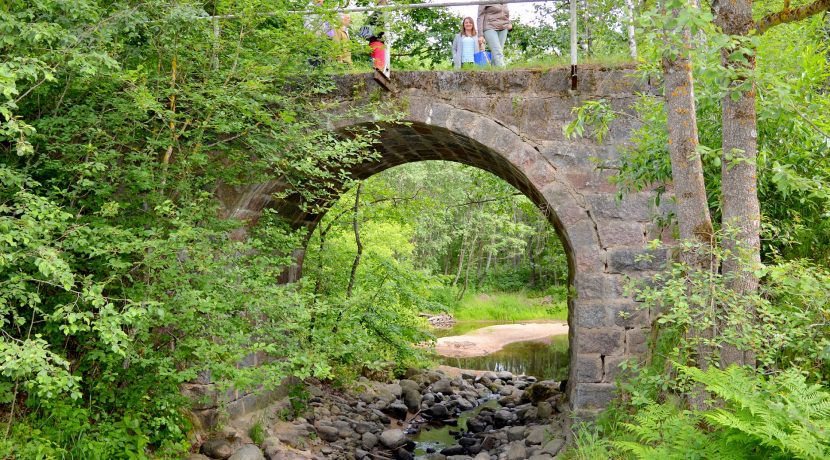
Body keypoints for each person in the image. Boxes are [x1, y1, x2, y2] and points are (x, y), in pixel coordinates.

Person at [477, 3, 511, 67]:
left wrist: (509, 23)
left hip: (503, 28)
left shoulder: (504, 1)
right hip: (490, 27)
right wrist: (480, 35)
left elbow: (506, 14)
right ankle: (503, 72)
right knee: (497, 51)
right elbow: (480, 17)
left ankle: (494, 73)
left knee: (496, 53)